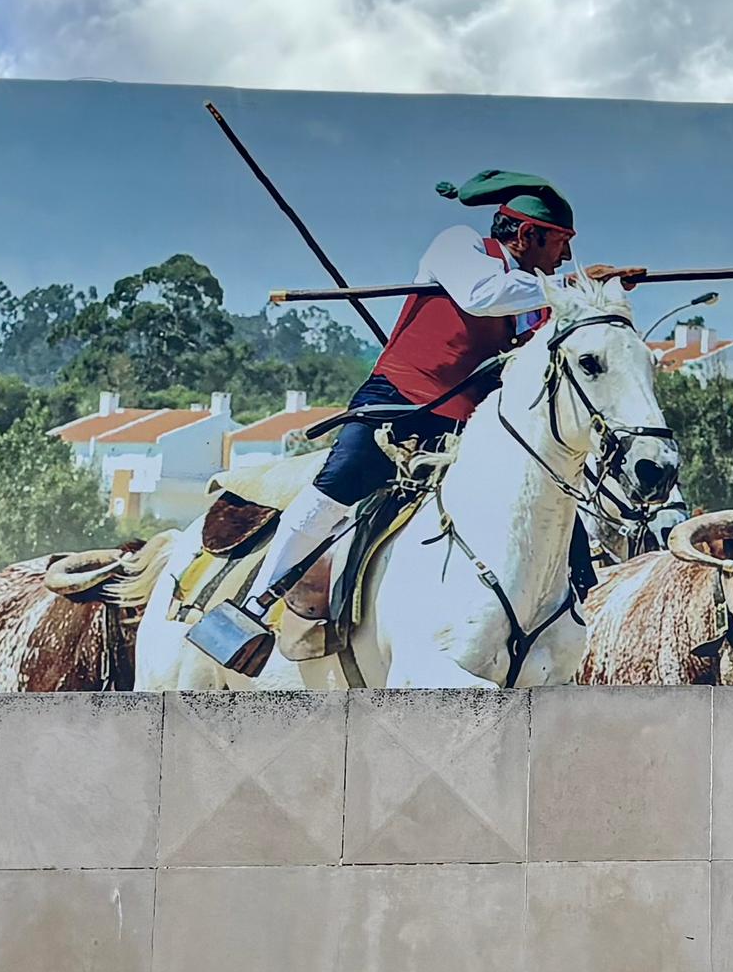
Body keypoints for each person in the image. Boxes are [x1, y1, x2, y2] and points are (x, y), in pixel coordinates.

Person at [234, 171, 597, 635]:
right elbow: (481, 296)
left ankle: (579, 617)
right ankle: (253, 608)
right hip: (400, 405)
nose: (566, 256)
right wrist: (570, 284)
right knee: (332, 494)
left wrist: (593, 300)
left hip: (469, 428)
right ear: (528, 234)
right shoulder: (459, 246)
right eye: (561, 243)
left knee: (555, 513)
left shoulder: (538, 295)